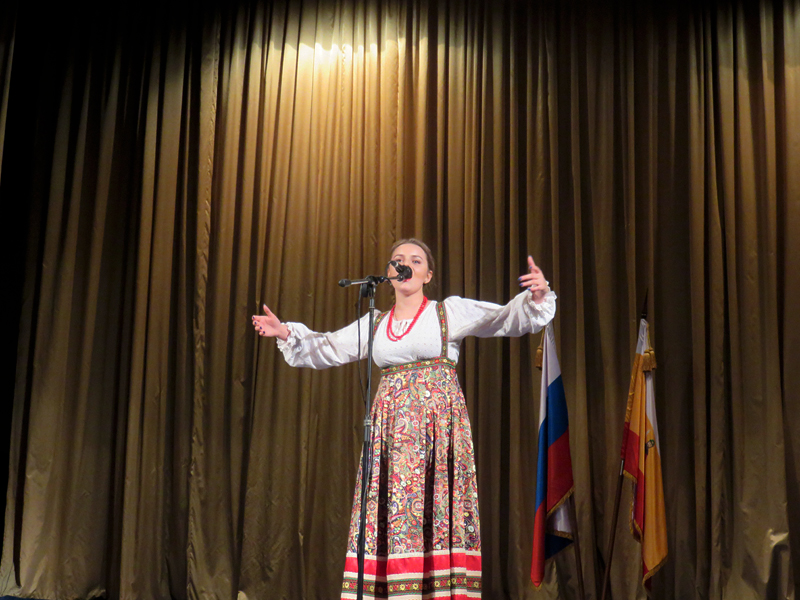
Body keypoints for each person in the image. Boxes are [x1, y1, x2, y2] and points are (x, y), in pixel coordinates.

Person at [251, 239, 556, 599]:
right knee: (394, 510)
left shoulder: (447, 313)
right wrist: (287, 333)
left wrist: (537, 297)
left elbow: (501, 318)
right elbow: (330, 346)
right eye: (397, 260)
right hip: (390, 437)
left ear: (428, 275)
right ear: (389, 273)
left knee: (436, 507)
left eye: (415, 260)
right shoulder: (376, 323)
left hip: (438, 433)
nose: (404, 264)